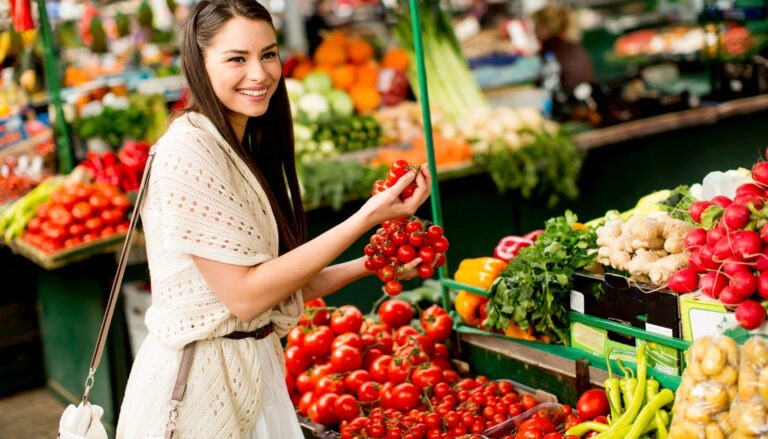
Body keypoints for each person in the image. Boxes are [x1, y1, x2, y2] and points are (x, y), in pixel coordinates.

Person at [115, 0, 432, 437]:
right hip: (198, 391)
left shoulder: (240, 143)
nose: (260, 73)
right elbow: (244, 298)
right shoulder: (187, 151)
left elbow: (276, 286)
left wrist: (372, 263)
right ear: (198, 63)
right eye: (236, 59)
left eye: (268, 53)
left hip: (252, 374)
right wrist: (366, 218)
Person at [531, 4, 596, 89]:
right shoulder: (577, 48)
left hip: (565, 100)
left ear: (546, 29)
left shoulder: (549, 52)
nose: (534, 31)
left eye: (536, 26)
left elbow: (544, 89)